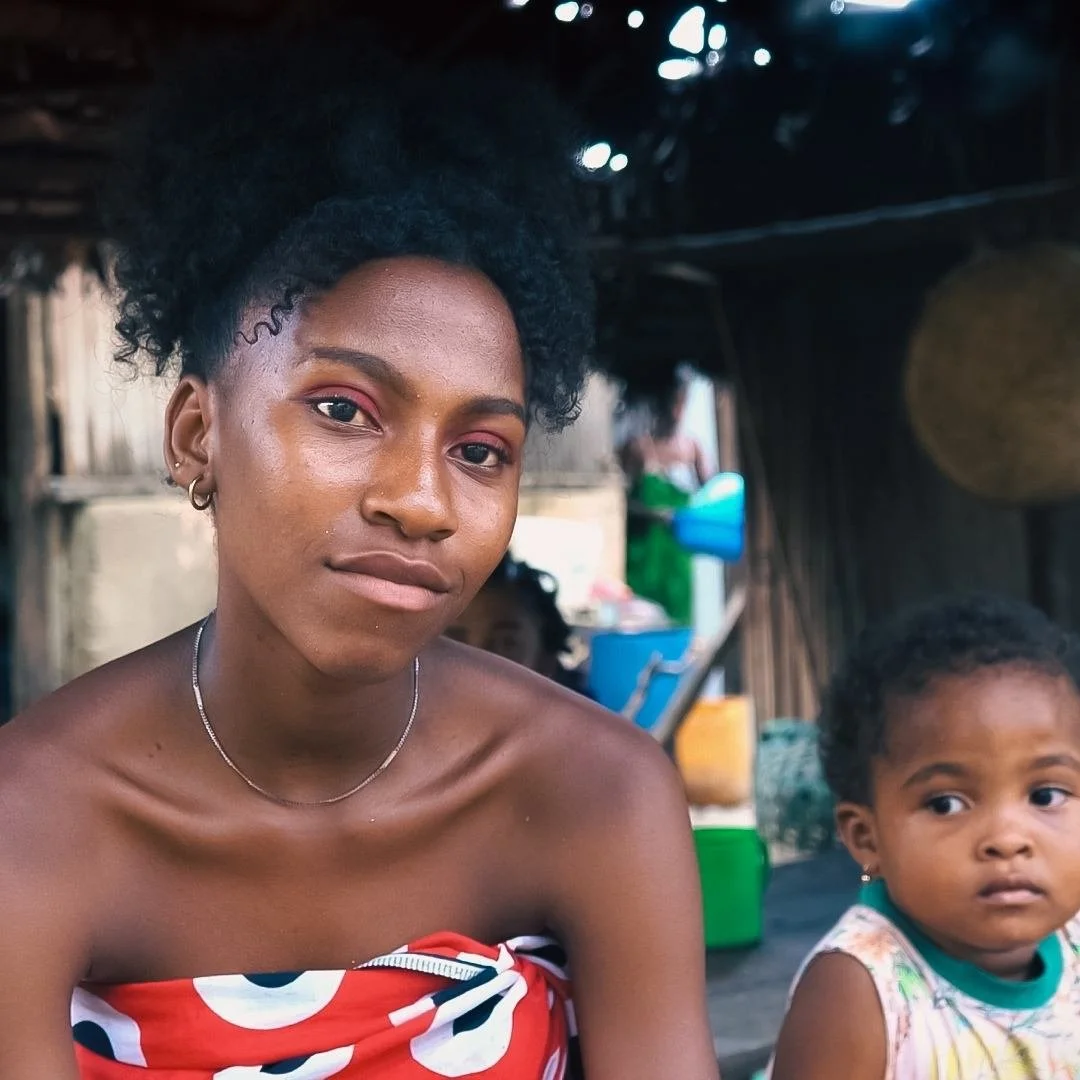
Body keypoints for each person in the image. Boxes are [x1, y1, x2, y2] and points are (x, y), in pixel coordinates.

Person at [0, 24, 719, 1080]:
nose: (422, 501)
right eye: (343, 409)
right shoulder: (34, 817)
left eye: (481, 449)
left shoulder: (597, 794)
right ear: (196, 435)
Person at [768, 594, 1080, 1080]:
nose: (1007, 839)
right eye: (945, 804)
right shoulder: (861, 991)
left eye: (1045, 795)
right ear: (866, 837)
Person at [619, 374, 710, 625]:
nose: (675, 410)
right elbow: (620, 506)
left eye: (681, 403)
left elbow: (714, 498)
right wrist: (656, 515)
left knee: (677, 624)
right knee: (640, 620)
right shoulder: (638, 448)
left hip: (677, 558)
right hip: (644, 555)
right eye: (670, 402)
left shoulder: (691, 449)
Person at [444, 554, 589, 695]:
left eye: (505, 642)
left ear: (545, 660)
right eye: (454, 640)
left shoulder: (583, 718)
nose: (474, 659)